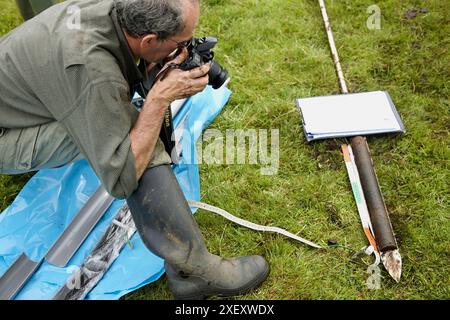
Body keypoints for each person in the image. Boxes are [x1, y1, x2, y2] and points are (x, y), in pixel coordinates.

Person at [0, 0, 269, 299]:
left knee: (128, 119)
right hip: (5, 135)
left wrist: (150, 68)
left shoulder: (115, 10)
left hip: (22, 93)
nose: (186, 49)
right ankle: (195, 270)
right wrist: (157, 100)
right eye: (181, 43)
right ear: (149, 40)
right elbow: (123, 173)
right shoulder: (91, 70)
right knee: (137, 136)